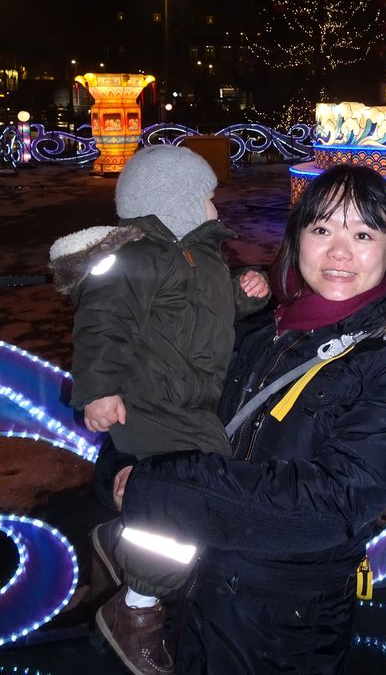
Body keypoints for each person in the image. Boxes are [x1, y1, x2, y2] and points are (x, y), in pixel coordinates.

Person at [94, 163, 386, 675]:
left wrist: (157, 490)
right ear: (297, 239)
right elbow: (166, 402)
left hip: (281, 620)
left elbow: (332, 503)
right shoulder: (257, 324)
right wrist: (119, 470)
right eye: (321, 229)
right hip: (189, 586)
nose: (339, 252)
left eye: (363, 233)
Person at [50, 143, 270, 675]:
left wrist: (248, 295)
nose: (217, 208)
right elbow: (102, 324)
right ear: (175, 203)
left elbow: (214, 310)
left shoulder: (204, 259)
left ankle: (131, 539)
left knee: (191, 493)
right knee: (184, 505)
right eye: (209, 198)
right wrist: (97, 390)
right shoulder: (135, 259)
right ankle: (137, 611)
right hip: (148, 404)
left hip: (190, 405)